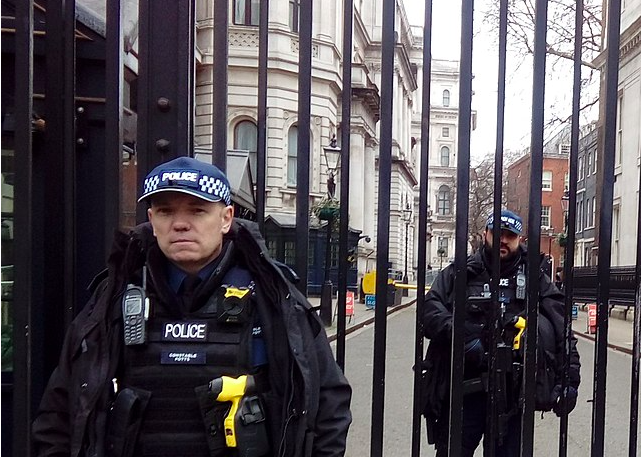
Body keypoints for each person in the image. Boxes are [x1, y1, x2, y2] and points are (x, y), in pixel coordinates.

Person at [32, 156, 352, 457]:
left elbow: (328, 401)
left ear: (226, 218)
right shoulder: (114, 295)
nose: (180, 224)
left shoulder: (272, 296)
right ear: (152, 220)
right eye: (166, 211)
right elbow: (61, 407)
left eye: (197, 211)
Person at [421, 209, 580, 457]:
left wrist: (569, 379)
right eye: (497, 233)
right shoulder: (462, 271)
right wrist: (463, 337)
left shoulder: (535, 277)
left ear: (520, 239)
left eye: (510, 235)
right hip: (464, 388)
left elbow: (563, 329)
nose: (503, 240)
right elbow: (430, 309)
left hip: (513, 395)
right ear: (485, 234)